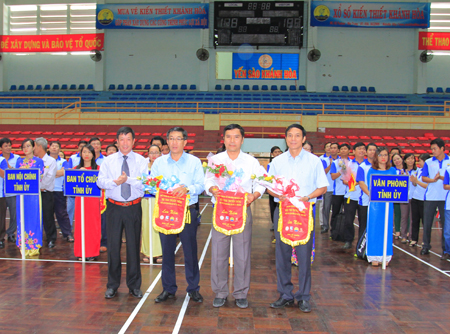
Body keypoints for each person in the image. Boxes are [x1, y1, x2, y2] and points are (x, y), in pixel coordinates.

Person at [268, 124, 328, 313]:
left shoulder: (314, 161)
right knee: (282, 255)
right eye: (290, 136)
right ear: (285, 139)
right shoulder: (278, 162)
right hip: (283, 212)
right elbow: (268, 186)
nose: (293, 139)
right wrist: (278, 194)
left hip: (303, 212)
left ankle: (303, 296)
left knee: (304, 256)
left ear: (303, 139)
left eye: (297, 135)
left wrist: (308, 197)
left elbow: (322, 187)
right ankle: (285, 294)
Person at [205, 124, 265, 309]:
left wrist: (254, 195)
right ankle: (220, 292)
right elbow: (208, 180)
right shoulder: (215, 160)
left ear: (242, 139)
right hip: (221, 211)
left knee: (242, 254)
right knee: (218, 253)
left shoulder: (251, 161)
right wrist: (213, 189)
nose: (232, 140)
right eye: (228, 137)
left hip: (242, 211)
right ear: (223, 139)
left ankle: (241, 292)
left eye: (236, 137)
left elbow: (261, 181)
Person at [150, 127, 205, 303]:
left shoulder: (194, 162)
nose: (174, 142)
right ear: (167, 142)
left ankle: (193, 288)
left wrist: (187, 189)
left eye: (178, 139)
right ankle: (168, 288)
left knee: (190, 251)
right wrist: (160, 189)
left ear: (185, 142)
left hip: (187, 211)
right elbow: (152, 186)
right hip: (166, 211)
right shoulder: (159, 163)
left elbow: (201, 185)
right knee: (166, 252)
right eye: (171, 139)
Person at [97, 126, 148, 299]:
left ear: (134, 141)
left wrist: (128, 180)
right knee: (113, 247)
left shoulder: (141, 160)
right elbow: (100, 182)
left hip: (133, 207)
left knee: (133, 247)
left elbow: (145, 182)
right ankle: (112, 285)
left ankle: (134, 285)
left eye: (128, 139)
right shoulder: (108, 161)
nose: (125, 143)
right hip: (114, 207)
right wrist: (115, 182)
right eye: (122, 139)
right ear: (117, 141)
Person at [359, 147, 396, 266]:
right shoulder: (371, 171)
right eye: (380, 155)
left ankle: (386, 254)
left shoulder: (392, 171)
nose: (383, 157)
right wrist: (371, 194)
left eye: (385, 155)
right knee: (374, 228)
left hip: (388, 205)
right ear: (376, 157)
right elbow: (369, 187)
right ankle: (374, 255)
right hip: (375, 205)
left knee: (387, 228)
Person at [15, 139, 44, 256]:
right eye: (24, 147)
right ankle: (23, 244)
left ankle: (34, 245)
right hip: (21, 195)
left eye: (28, 146)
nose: (26, 149)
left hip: (33, 196)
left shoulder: (39, 162)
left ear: (33, 147)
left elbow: (39, 177)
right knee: (22, 217)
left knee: (34, 218)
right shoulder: (18, 162)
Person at [421, 138, 449, 257]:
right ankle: (425, 246)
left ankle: (445, 249)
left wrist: (442, 178)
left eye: (435, 148)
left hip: (445, 198)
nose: (433, 151)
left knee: (445, 225)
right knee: (427, 223)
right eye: (431, 149)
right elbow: (423, 178)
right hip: (430, 197)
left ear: (442, 148)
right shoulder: (428, 162)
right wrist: (433, 179)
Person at [74, 144, 101, 261]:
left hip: (94, 201)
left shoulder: (99, 169)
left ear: (93, 155)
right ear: (81, 154)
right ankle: (81, 252)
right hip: (80, 200)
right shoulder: (75, 169)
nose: (86, 154)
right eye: (84, 152)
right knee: (81, 225)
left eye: (89, 152)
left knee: (93, 226)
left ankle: (92, 252)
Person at [342, 142, 367, 250]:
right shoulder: (346, 164)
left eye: (363, 149)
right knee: (348, 220)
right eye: (359, 149)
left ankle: (361, 242)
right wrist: (356, 183)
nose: (361, 151)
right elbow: (344, 181)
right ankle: (348, 240)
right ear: (354, 151)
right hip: (350, 197)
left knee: (363, 221)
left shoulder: (369, 165)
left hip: (364, 198)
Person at [34, 137, 57, 248]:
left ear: (39, 146)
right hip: (34, 193)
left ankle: (51, 238)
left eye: (34, 146)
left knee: (48, 216)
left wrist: (38, 187)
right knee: (35, 215)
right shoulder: (32, 160)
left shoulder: (51, 161)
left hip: (46, 193)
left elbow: (49, 178)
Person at [141, 145, 163, 264]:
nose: (154, 155)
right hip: (146, 200)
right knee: (146, 224)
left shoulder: (163, 167)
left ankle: (160, 252)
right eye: (151, 153)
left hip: (160, 200)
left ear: (160, 154)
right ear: (148, 154)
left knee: (159, 224)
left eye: (156, 152)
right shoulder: (143, 168)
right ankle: (147, 252)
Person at [48, 141, 73, 242]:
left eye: (56, 146)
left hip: (59, 190)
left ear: (59, 149)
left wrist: (49, 174)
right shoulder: (44, 160)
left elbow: (64, 172)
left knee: (62, 213)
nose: (54, 148)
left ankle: (67, 234)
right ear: (49, 148)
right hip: (46, 190)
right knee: (47, 214)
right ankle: (50, 236)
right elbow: (42, 174)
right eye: (52, 146)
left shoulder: (63, 161)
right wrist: (57, 173)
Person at [355, 143, 377, 246]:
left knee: (376, 226)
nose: (372, 152)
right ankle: (361, 248)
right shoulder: (362, 166)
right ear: (366, 152)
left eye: (374, 150)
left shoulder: (381, 166)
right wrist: (371, 194)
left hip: (379, 203)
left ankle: (374, 247)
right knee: (363, 226)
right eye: (370, 150)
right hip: (365, 201)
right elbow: (361, 183)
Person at [0, 137, 20, 243]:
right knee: (1, 216)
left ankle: (11, 233)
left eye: (9, 145)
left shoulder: (17, 158)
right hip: (2, 192)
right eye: (6, 146)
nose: (8, 148)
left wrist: (9, 168)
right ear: (1, 148)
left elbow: (18, 173)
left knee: (14, 214)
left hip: (13, 191)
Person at [100, 144, 118, 253]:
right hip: (107, 197)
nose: (111, 151)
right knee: (105, 221)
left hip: (121, 198)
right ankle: (105, 242)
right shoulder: (105, 163)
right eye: (109, 150)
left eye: (113, 150)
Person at [329, 143, 351, 235]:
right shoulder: (335, 162)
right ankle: (334, 232)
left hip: (349, 193)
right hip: (337, 192)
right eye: (341, 149)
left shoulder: (352, 163)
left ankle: (345, 233)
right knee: (335, 213)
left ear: (349, 151)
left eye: (345, 149)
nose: (343, 151)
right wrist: (341, 171)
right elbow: (333, 177)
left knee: (348, 214)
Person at [409, 154, 430, 247]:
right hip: (415, 198)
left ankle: (425, 241)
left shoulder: (429, 172)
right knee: (415, 219)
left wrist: (417, 181)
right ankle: (414, 239)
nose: (418, 163)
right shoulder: (418, 170)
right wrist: (413, 181)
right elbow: (415, 184)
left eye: (420, 161)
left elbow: (428, 186)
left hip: (424, 199)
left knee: (425, 221)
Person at [67, 140, 88, 227]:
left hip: (86, 189)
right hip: (74, 189)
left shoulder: (90, 158)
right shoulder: (73, 157)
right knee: (70, 210)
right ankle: (69, 230)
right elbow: (68, 171)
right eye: (81, 146)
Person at [321, 142, 339, 234]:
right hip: (328, 188)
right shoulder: (324, 160)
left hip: (339, 190)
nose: (332, 150)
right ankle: (325, 225)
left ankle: (335, 227)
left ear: (338, 150)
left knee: (337, 210)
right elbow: (323, 172)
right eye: (331, 148)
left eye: (335, 148)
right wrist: (331, 164)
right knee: (326, 208)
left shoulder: (341, 160)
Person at [399, 153, 416, 244]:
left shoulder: (417, 171)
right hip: (404, 197)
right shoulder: (401, 171)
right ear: (405, 160)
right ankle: (404, 235)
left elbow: (416, 184)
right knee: (404, 216)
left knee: (412, 217)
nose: (410, 160)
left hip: (414, 197)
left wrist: (414, 181)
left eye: (412, 158)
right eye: (408, 159)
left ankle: (411, 236)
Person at [267, 146, 283, 235]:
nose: (277, 153)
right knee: (273, 206)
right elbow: (270, 177)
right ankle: (274, 222)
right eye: (275, 152)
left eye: (279, 152)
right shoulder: (271, 164)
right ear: (272, 154)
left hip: (281, 189)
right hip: (273, 189)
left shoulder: (283, 163)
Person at [392, 153, 404, 240]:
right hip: (395, 194)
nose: (397, 161)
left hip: (405, 194)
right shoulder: (392, 170)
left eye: (398, 159)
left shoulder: (407, 170)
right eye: (394, 160)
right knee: (397, 213)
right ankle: (397, 231)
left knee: (405, 214)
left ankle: (405, 231)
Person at [0, 154, 8, 248]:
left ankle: (0, 238)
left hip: (0, 194)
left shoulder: (2, 160)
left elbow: (5, 175)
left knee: (1, 218)